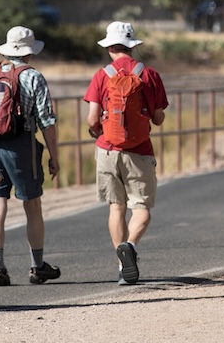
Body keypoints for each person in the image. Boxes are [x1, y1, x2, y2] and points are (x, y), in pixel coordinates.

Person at [0, 26, 62, 287]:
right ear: (29, 53)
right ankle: (37, 267)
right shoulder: (33, 77)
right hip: (22, 145)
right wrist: (54, 156)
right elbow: (46, 119)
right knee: (32, 206)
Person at [84, 21, 168, 285]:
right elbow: (158, 119)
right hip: (139, 151)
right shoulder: (149, 75)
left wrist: (99, 132)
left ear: (110, 48)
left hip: (108, 150)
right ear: (133, 46)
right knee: (141, 209)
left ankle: (122, 266)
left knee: (116, 208)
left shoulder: (101, 75)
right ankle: (130, 246)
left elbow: (91, 119)